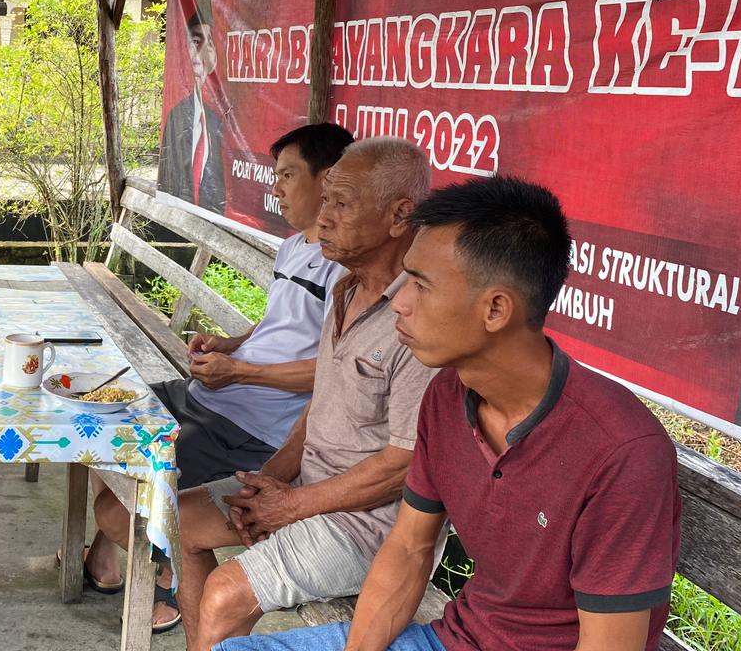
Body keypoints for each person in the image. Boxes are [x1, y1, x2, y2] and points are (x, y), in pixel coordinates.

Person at [217, 177, 681, 651]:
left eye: (420, 284)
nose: (399, 302)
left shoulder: (620, 452)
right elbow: (409, 548)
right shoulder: (446, 395)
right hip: (454, 638)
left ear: (495, 309)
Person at [175, 136, 438, 651]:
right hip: (306, 490)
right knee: (180, 519)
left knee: (225, 595)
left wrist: (293, 505)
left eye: (342, 203)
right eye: (326, 200)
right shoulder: (345, 289)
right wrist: (269, 482)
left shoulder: (419, 317)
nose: (324, 217)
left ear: (399, 215)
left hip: (370, 526)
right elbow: (321, 403)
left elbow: (404, 466)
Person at [87, 123, 353, 631]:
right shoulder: (294, 247)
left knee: (116, 513)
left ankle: (165, 579)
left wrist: (242, 371)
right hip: (210, 396)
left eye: (288, 175)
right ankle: (125, 557)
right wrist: (231, 346)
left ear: (329, 180)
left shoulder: (346, 270)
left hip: (250, 429)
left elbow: (334, 373)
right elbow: (278, 324)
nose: (277, 188)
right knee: (97, 418)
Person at [158, 0, 226, 214]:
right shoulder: (177, 116)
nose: (201, 54)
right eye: (196, 42)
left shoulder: (215, 121)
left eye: (209, 43)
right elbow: (168, 182)